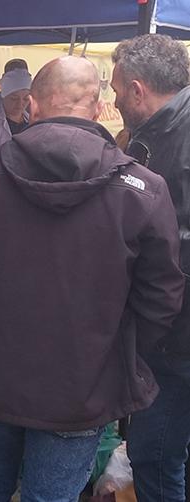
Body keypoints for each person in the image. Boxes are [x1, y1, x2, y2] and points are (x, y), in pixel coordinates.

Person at [0, 56, 184, 502]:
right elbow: (162, 296)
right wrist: (121, 346)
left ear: (33, 108)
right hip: (83, 382)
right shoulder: (145, 188)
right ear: (99, 109)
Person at [110, 34, 190, 502]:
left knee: (154, 454)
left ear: (138, 90)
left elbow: (172, 243)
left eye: (118, 90)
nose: (114, 99)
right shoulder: (160, 131)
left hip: (176, 334)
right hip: (171, 327)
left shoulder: (180, 138)